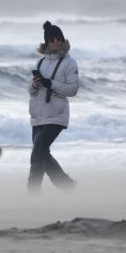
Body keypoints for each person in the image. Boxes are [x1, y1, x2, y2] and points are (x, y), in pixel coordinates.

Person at [28, 21, 79, 193]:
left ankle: (32, 192)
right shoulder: (40, 63)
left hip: (56, 115)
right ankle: (66, 184)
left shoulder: (70, 63)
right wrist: (35, 85)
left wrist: (51, 84)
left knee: (37, 154)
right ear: (47, 42)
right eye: (52, 39)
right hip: (37, 116)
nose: (56, 42)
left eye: (59, 39)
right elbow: (30, 90)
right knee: (43, 154)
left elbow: (72, 89)